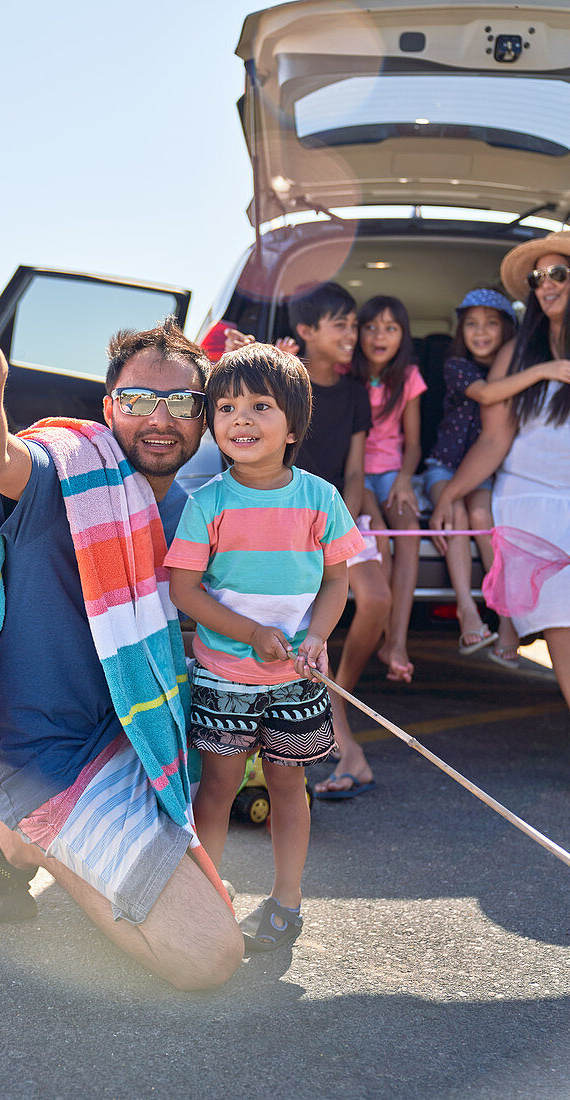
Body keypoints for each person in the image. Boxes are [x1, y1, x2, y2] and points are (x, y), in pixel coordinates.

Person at [0, 304, 244, 992]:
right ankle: (31, 829)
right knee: (209, 957)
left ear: (203, 416)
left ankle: (13, 840)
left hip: (134, 737)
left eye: (181, 402)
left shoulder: (192, 509)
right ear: (109, 408)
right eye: (137, 399)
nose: (158, 417)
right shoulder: (68, 475)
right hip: (47, 755)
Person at [164, 343, 364, 950]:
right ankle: (207, 899)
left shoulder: (321, 499)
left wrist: (317, 639)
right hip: (225, 676)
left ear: (294, 424)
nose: (240, 419)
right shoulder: (208, 503)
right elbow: (183, 590)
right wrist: (251, 634)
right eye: (224, 407)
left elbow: (336, 582)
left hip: (299, 680)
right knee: (219, 788)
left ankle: (287, 903)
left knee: (288, 787)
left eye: (259, 406)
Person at [220, 282, 387, 799]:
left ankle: (338, 700)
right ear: (308, 332)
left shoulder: (356, 393)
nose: (353, 335)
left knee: (375, 599)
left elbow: (356, 470)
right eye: (342, 324)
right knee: (312, 625)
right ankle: (345, 743)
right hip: (285, 526)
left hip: (334, 514)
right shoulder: (282, 384)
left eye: (354, 325)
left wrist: (348, 516)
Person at [431, 232, 570, 708]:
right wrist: (449, 496)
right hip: (527, 506)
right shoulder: (521, 353)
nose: (546, 284)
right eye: (537, 278)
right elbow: (494, 438)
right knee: (563, 634)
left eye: (558, 274)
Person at [423, 288, 533, 664]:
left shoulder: (515, 368)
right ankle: (466, 610)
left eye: (490, 323)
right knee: (454, 516)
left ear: (507, 330)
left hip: (483, 473)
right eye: (471, 324)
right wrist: (543, 370)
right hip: (445, 466)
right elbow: (486, 394)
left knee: (483, 518)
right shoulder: (457, 366)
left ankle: (506, 618)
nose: (480, 332)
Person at [350, 296, 427, 683]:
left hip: (392, 472)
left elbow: (413, 443)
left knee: (409, 531)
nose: (380, 336)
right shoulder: (347, 372)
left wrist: (403, 479)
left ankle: (397, 640)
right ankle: (383, 635)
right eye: (371, 327)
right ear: (357, 332)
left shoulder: (408, 376)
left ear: (403, 336)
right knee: (378, 535)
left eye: (391, 328)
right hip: (354, 473)